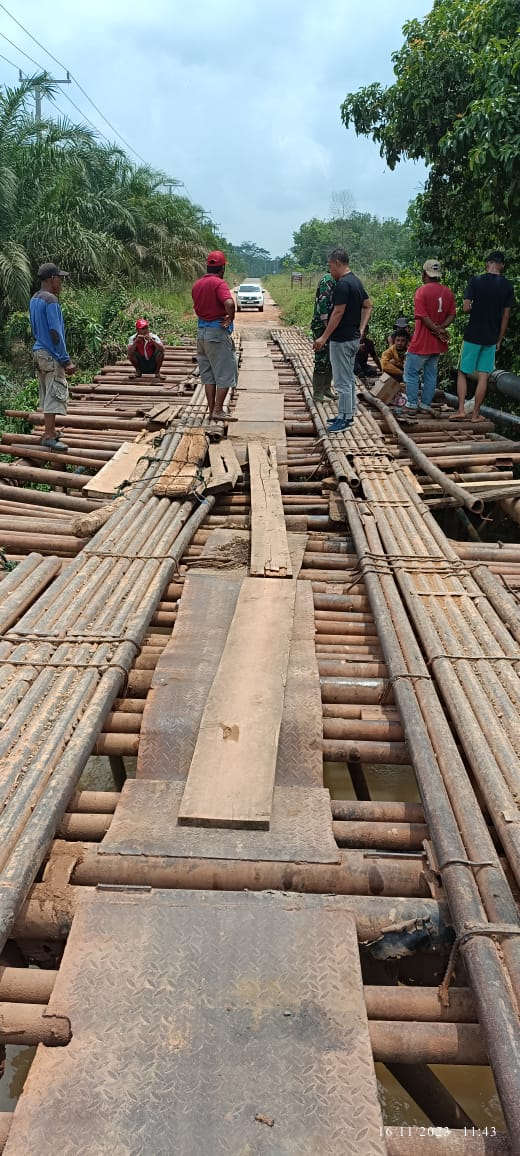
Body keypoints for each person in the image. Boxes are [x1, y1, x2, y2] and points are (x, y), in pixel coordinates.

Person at [450, 250, 515, 424]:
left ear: (487, 263)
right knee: (484, 375)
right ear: (502, 265)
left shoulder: (476, 281)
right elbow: (506, 316)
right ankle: (475, 414)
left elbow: (465, 307)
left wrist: (476, 309)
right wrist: (499, 339)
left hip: (472, 334)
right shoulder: (508, 286)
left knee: (463, 371)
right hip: (491, 336)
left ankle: (461, 409)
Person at [313, 248, 372, 432]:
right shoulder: (356, 281)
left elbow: (338, 313)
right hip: (352, 338)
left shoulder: (342, 285)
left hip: (342, 340)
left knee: (342, 381)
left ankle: (345, 419)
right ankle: (347, 413)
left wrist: (324, 337)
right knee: (348, 378)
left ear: (337, 263)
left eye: (330, 266)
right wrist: (361, 329)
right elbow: (368, 305)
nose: (330, 270)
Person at [29, 262, 75, 453]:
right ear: (51, 279)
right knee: (55, 392)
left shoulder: (35, 298)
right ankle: (49, 434)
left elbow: (34, 328)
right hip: (51, 353)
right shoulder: (51, 300)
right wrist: (66, 360)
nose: (61, 283)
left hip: (38, 350)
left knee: (47, 390)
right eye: (60, 279)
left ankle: (52, 430)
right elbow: (55, 333)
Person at [403, 259, 456, 415]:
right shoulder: (448, 292)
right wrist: (441, 328)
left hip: (422, 342)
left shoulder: (422, 291)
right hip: (437, 344)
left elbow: (422, 316)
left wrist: (435, 329)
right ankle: (425, 404)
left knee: (411, 372)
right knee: (431, 374)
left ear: (424, 274)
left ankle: (412, 404)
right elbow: (452, 314)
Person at [192, 250, 236, 422]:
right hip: (216, 334)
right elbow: (229, 303)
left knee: (208, 374)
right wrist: (230, 317)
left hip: (201, 334)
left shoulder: (197, 285)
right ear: (222, 267)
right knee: (225, 372)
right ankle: (218, 410)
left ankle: (212, 410)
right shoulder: (219, 283)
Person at [310, 271, 336, 400]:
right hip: (322, 326)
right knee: (321, 357)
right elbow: (323, 304)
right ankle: (318, 392)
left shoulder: (338, 280)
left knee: (331, 358)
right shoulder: (328, 280)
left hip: (332, 325)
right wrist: (327, 327)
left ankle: (326, 388)